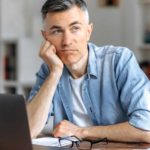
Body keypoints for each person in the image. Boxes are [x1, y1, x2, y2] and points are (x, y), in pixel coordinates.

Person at [27, 0, 150, 143]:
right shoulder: (49, 70)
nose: (66, 41)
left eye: (75, 28)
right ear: (45, 37)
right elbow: (28, 130)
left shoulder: (119, 61)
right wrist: (54, 73)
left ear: (88, 32)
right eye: (57, 31)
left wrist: (81, 132)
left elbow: (146, 127)